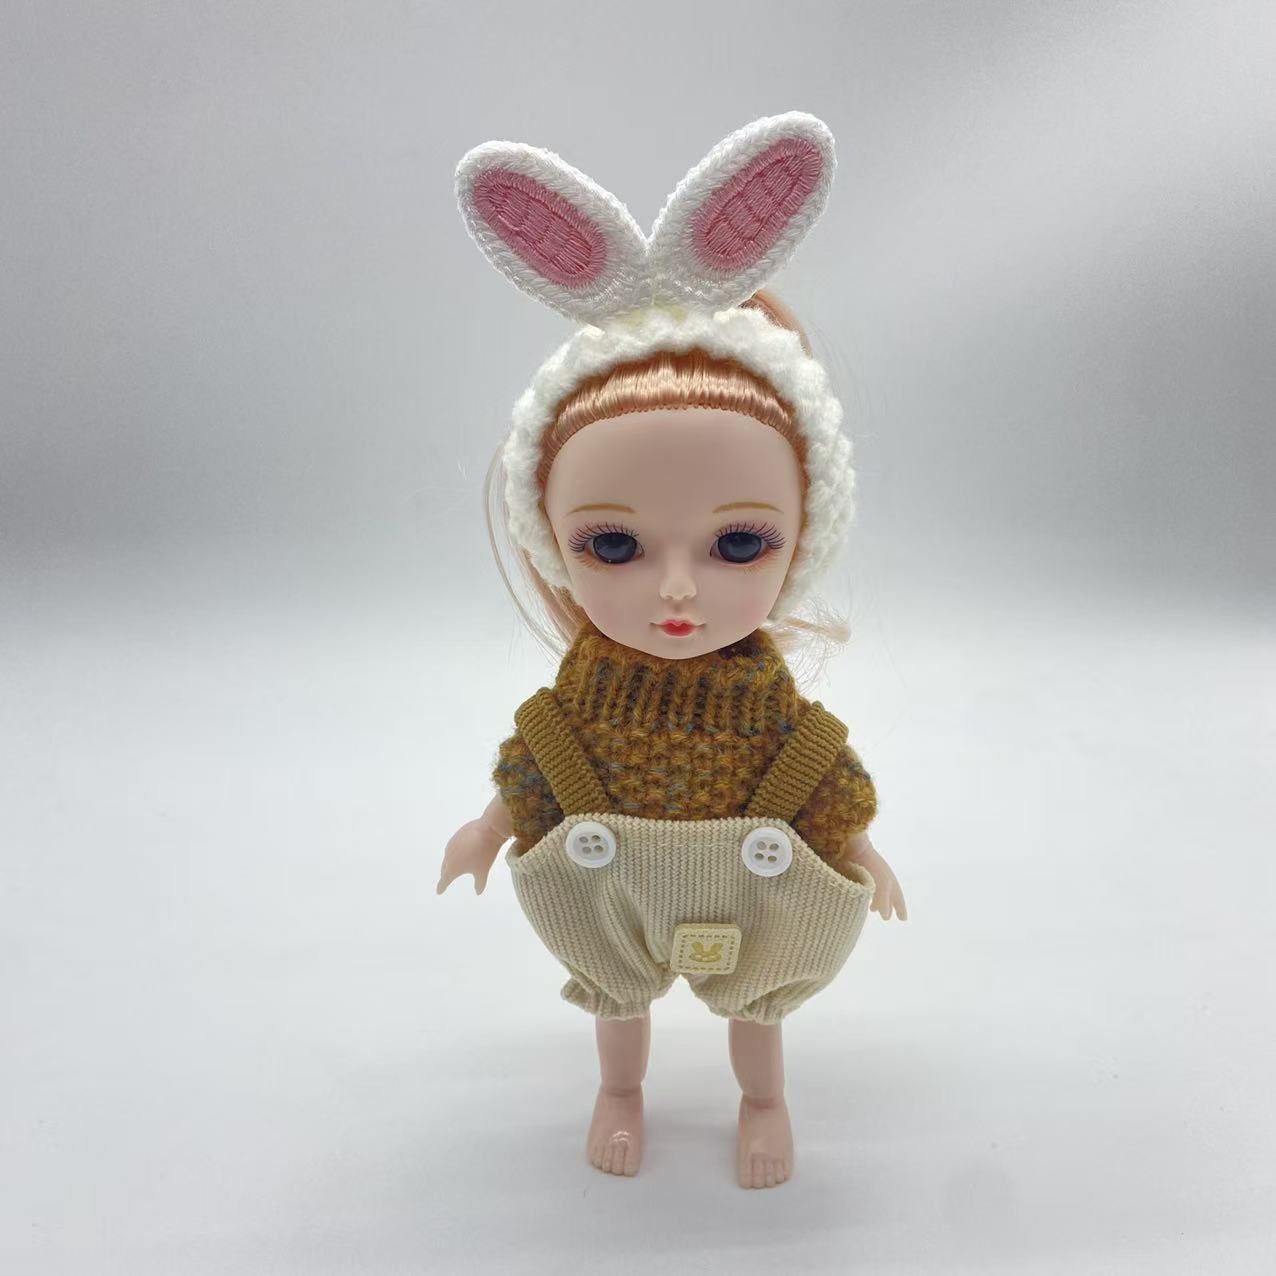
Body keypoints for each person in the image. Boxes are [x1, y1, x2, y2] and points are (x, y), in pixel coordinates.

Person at [437, 113, 906, 1189]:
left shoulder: (771, 709)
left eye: (740, 543)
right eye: (615, 545)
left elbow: (818, 773)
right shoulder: (577, 706)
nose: (679, 589)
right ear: (552, 543)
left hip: (752, 891)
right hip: (613, 894)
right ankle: (620, 1089)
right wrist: (487, 827)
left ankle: (763, 1101)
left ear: (803, 539)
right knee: (616, 994)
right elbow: (536, 761)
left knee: (759, 1002)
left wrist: (860, 848)